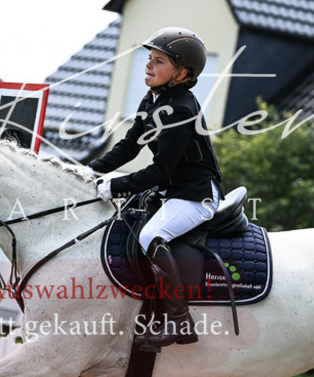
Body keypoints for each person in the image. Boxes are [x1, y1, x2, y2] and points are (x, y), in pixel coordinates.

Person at [80, 27, 222, 350]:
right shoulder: (153, 99)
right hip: (173, 192)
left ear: (181, 73)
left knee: (150, 237)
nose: (148, 66)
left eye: (158, 62)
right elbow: (130, 147)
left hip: (196, 195)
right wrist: (89, 172)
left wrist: (114, 186)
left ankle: (180, 321)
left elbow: (161, 170)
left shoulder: (182, 109)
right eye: (149, 59)